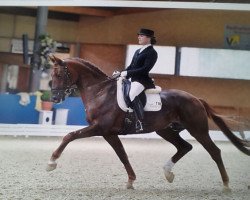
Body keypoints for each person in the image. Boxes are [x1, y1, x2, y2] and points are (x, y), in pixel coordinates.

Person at [120, 28, 158, 132]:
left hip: (143, 81)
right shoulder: (138, 51)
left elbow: (145, 69)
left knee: (131, 94)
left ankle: (140, 122)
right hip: (133, 80)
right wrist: (121, 73)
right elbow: (131, 66)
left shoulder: (152, 52)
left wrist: (128, 73)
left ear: (149, 38)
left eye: (141, 35)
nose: (139, 37)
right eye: (139, 35)